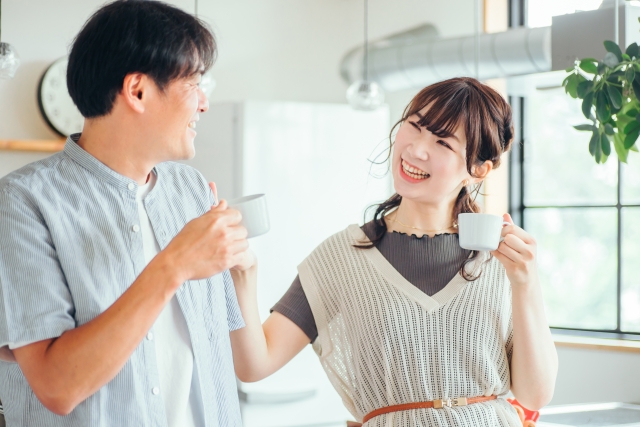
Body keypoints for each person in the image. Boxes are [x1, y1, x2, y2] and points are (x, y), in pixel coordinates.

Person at [228, 77, 558, 426]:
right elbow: (255, 364)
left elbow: (535, 394)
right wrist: (243, 273)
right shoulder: (342, 257)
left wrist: (526, 283)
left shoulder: (503, 258)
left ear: (478, 170)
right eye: (414, 126)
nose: (416, 149)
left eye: (442, 142)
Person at [0, 1, 253, 426]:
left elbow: (220, 356)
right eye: (193, 84)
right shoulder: (22, 203)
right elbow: (57, 387)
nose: (205, 104)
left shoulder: (192, 191)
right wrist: (172, 266)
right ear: (137, 90)